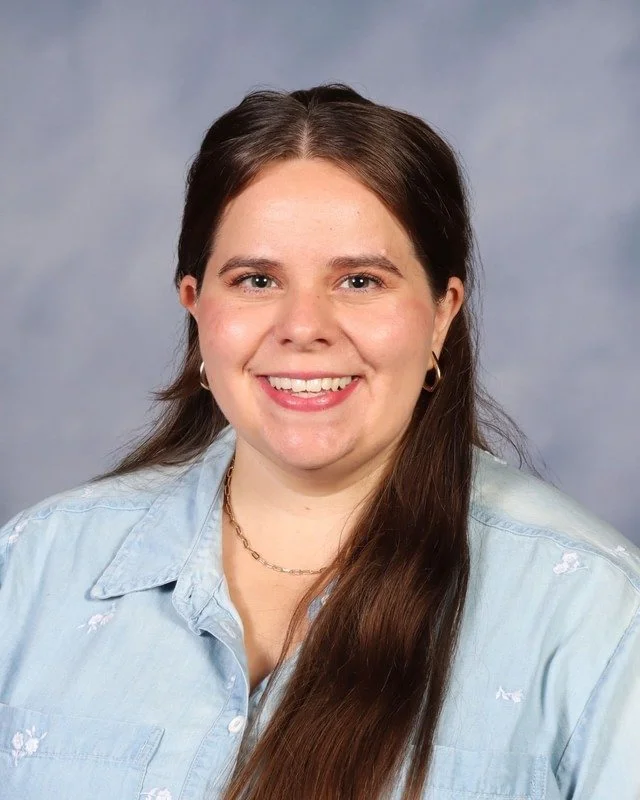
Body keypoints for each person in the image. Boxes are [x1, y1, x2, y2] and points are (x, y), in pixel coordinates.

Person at [0, 83, 638, 800]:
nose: (305, 325)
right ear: (195, 306)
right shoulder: (32, 572)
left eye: (360, 280)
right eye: (257, 279)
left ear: (440, 315)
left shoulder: (596, 615)